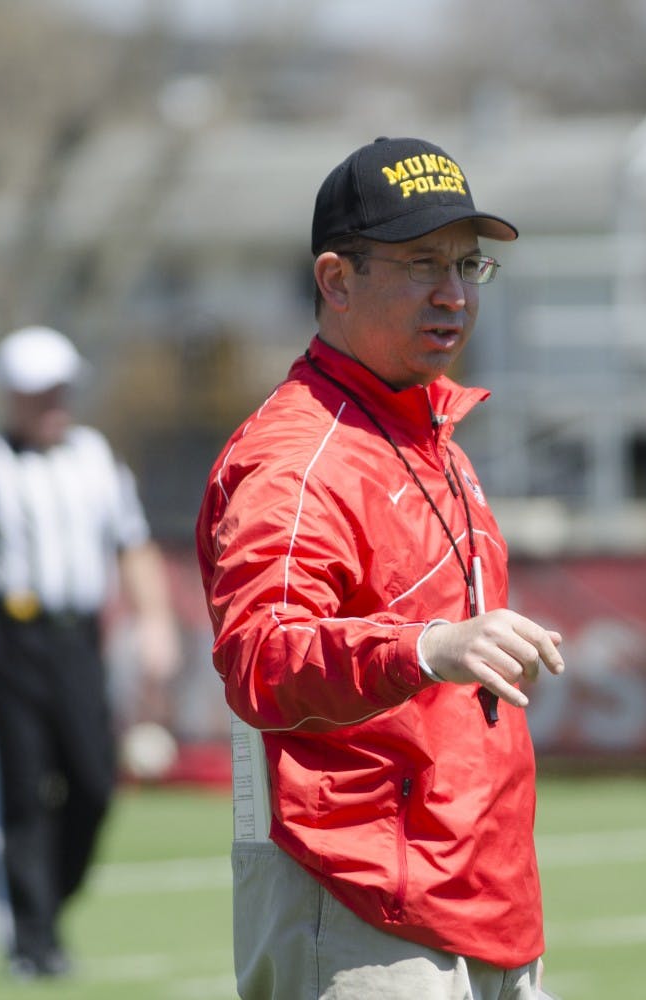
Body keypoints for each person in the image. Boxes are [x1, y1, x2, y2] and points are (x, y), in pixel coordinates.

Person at [196, 136, 565, 1000]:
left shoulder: (425, 431)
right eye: (420, 263)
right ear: (336, 279)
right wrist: (427, 647)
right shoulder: (297, 458)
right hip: (359, 896)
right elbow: (260, 659)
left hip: (479, 888)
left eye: (468, 265)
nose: (453, 293)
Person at [0, 325, 181, 980]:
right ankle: (34, 940)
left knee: (94, 783)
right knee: (23, 790)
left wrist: (154, 622)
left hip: (77, 641)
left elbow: (131, 543)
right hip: (9, 638)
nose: (55, 404)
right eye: (41, 393)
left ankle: (42, 907)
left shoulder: (95, 456)